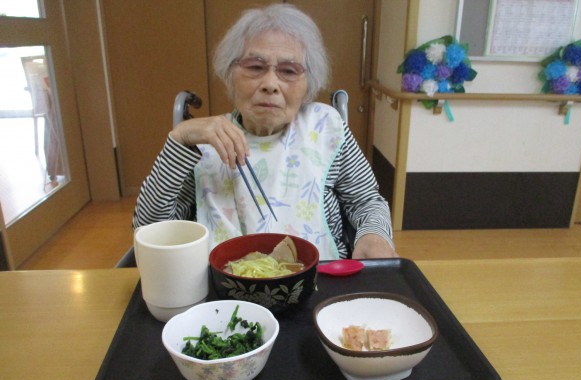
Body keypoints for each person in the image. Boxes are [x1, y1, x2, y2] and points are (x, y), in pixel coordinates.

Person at [133, 3, 397, 260]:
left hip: (319, 278)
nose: (270, 84)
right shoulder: (203, 143)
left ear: (308, 83)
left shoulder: (325, 126)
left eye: (289, 71)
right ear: (230, 74)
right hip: (224, 283)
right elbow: (149, 230)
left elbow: (366, 201)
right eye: (255, 67)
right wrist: (178, 141)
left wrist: (374, 235)